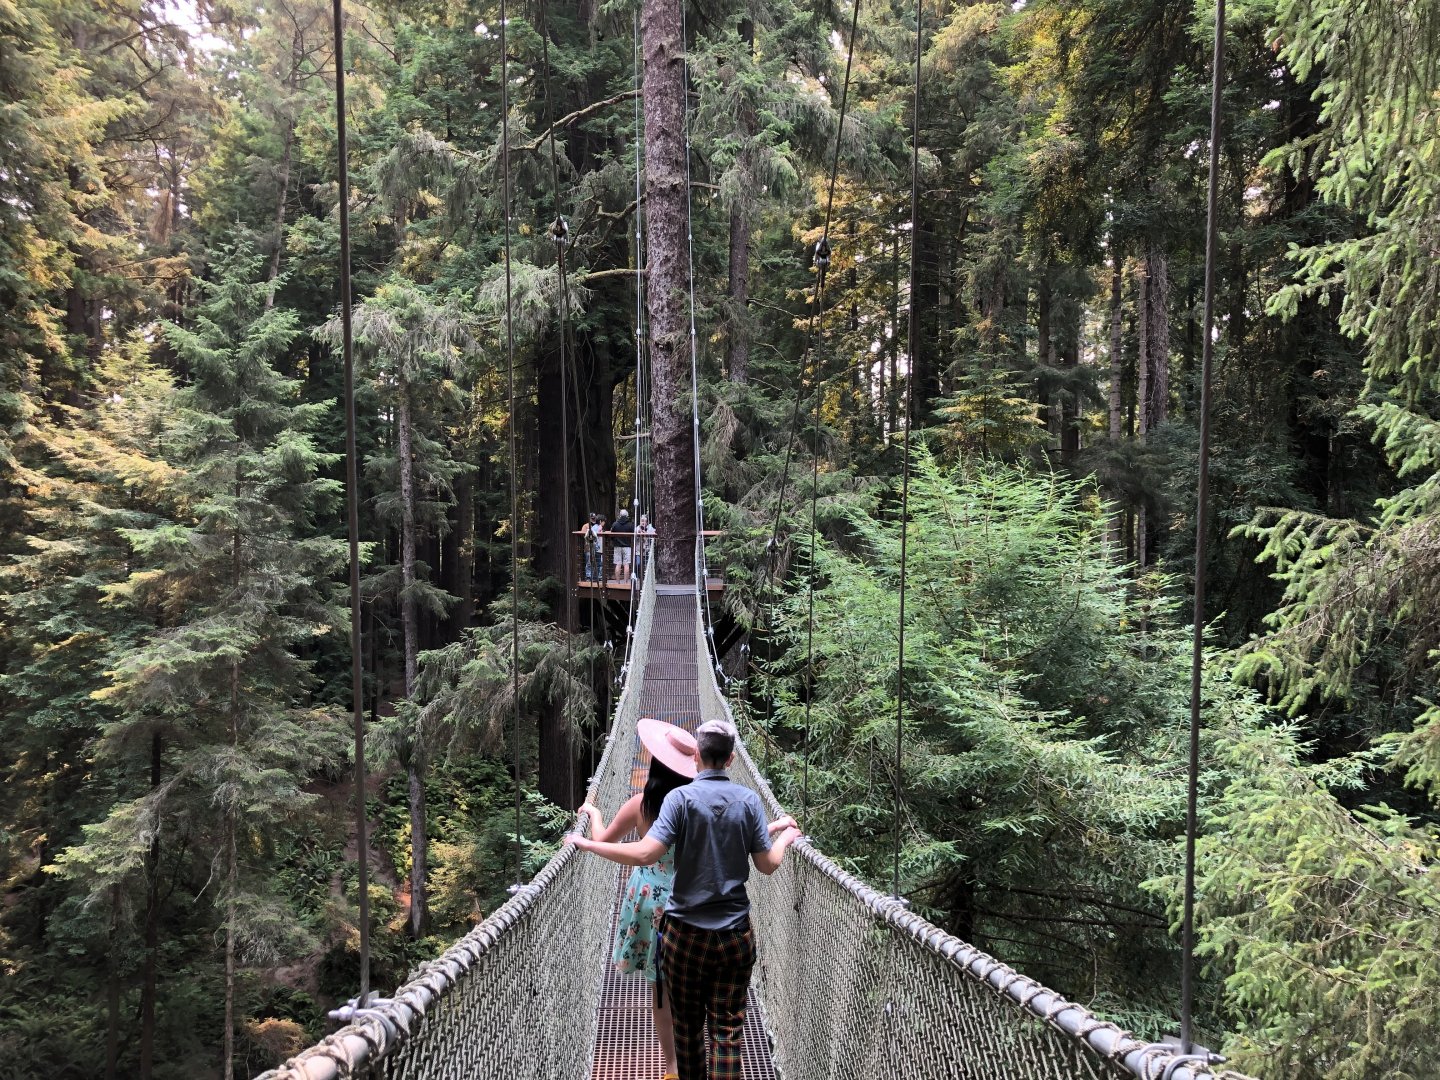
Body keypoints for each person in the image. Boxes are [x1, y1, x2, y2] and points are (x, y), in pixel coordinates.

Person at [569, 719, 801, 1080]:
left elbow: (646, 854)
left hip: (682, 932)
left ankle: (677, 1071)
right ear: (731, 759)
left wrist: (587, 842)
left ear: (697, 755)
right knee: (726, 1032)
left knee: (688, 1027)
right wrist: (783, 837)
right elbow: (764, 862)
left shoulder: (677, 800)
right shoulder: (749, 800)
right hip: (734, 934)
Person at [577, 718, 697, 1080]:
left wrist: (594, 814)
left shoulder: (640, 805)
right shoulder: (698, 807)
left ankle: (673, 1069)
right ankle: (695, 1058)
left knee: (660, 989)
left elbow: (605, 840)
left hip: (648, 903)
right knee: (690, 983)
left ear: (655, 765)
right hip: (691, 900)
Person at [611, 508, 634, 583]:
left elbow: (611, 534)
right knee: (626, 565)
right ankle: (626, 582)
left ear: (620, 515)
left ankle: (617, 583)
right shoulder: (630, 525)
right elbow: (634, 535)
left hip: (617, 546)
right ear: (627, 516)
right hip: (627, 547)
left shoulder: (615, 524)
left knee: (618, 564)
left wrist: (614, 541)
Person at [636, 513, 656, 580]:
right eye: (642, 521)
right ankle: (639, 576)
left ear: (647, 522)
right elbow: (634, 537)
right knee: (638, 563)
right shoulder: (637, 528)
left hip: (647, 549)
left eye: (644, 521)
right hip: (638, 550)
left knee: (647, 564)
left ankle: (647, 578)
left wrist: (647, 533)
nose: (643, 522)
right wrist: (638, 533)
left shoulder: (650, 528)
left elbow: (654, 533)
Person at [581, 512, 598, 582]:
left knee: (595, 561)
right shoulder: (586, 526)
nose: (593, 519)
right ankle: (588, 576)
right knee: (588, 562)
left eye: (594, 518)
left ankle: (593, 576)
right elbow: (583, 535)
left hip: (596, 546)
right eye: (592, 518)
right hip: (588, 546)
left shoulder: (597, 525)